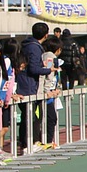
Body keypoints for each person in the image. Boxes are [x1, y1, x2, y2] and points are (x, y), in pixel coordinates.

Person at [16, 22, 52, 153]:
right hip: (28, 86)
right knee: (31, 116)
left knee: (29, 115)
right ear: (46, 35)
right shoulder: (34, 48)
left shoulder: (27, 45)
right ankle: (28, 144)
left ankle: (27, 143)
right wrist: (48, 70)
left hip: (26, 84)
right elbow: (33, 68)